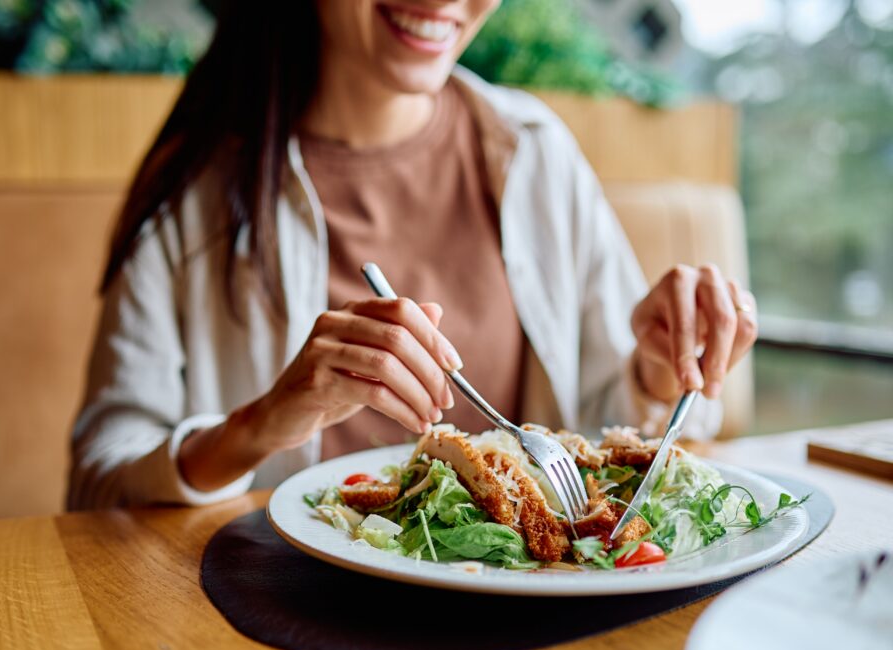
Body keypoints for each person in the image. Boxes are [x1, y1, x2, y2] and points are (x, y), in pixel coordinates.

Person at [68, 0, 758, 510]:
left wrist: (659, 372)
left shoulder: (535, 151)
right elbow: (98, 477)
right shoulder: (194, 193)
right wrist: (256, 425)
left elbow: (599, 427)